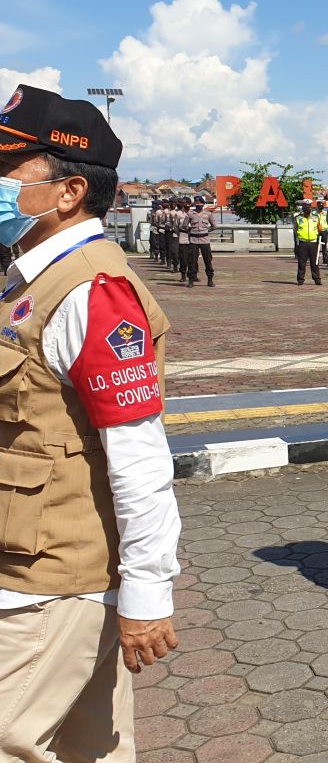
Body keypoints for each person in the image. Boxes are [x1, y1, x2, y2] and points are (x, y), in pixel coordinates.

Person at [0, 84, 182, 760]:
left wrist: (147, 591)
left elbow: (138, 453)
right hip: (27, 562)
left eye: (8, 169)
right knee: (90, 748)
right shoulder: (25, 276)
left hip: (53, 577)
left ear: (69, 191)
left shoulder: (92, 290)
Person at [185, 199, 215, 288]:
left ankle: (210, 280)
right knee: (192, 261)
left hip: (204, 240)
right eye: (197, 203)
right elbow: (184, 225)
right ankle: (191, 280)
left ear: (203, 204)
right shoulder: (190, 214)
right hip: (193, 240)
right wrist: (191, 231)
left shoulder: (208, 214)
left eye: (200, 203)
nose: (199, 204)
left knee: (208, 260)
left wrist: (205, 231)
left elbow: (214, 226)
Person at [294, 199, 323, 286]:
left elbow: (319, 229)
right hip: (303, 242)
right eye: (305, 206)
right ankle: (300, 279)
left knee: (314, 262)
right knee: (302, 262)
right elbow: (295, 230)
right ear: (302, 207)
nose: (307, 208)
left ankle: (317, 279)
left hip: (313, 242)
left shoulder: (316, 217)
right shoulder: (298, 218)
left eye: (309, 206)